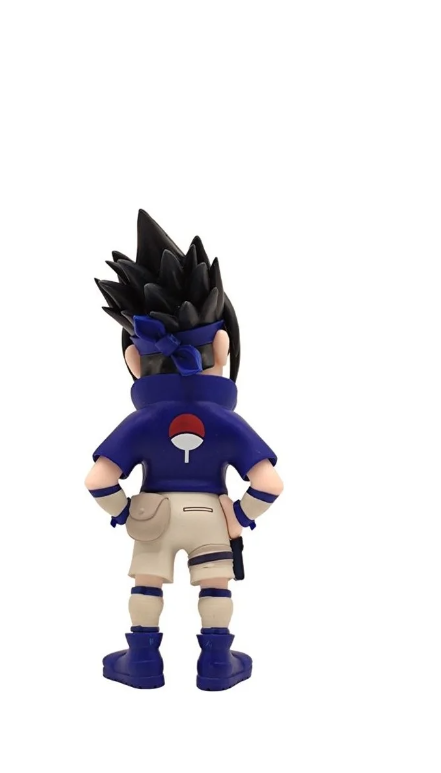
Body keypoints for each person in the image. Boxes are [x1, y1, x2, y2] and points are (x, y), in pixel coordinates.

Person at [85, 210, 283, 691]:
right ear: (224, 347)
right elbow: (270, 483)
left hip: (152, 513)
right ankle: (216, 663)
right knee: (215, 585)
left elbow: (98, 479)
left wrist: (125, 512)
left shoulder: (140, 421)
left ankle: (142, 662)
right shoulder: (228, 422)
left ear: (134, 360)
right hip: (211, 515)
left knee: (146, 584)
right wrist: (239, 516)